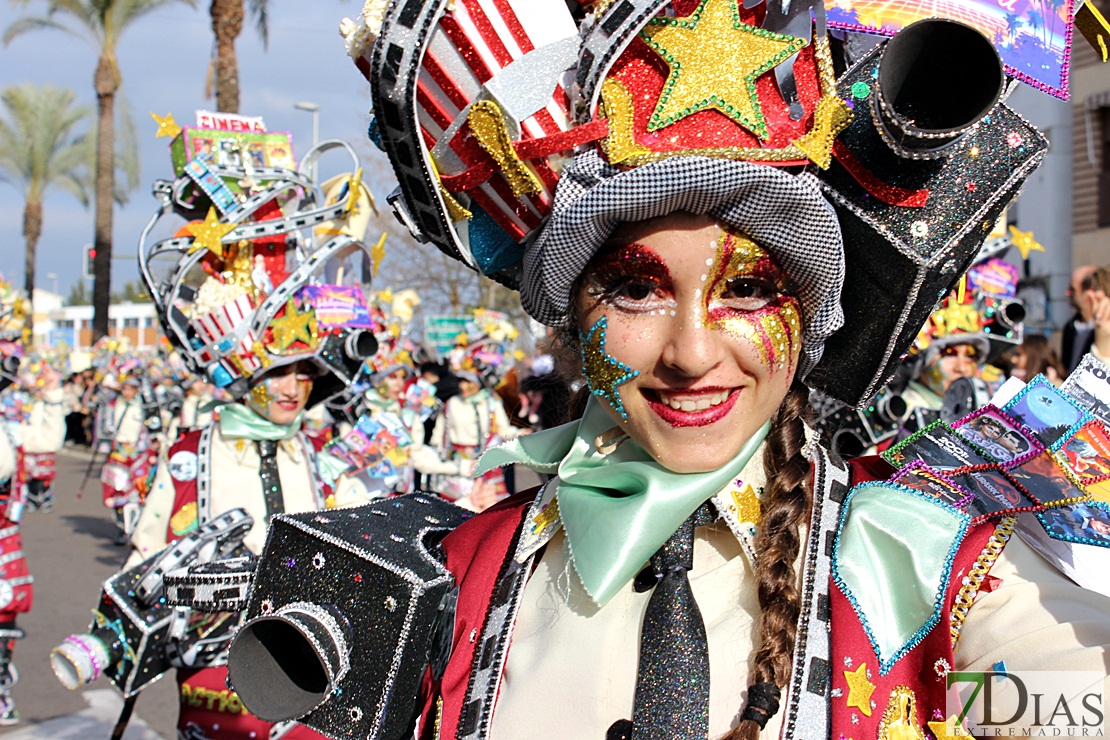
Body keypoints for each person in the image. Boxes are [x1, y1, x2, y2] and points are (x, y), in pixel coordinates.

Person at [318, 3, 1106, 738]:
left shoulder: (925, 561)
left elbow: (1064, 698)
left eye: (750, 289)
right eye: (635, 289)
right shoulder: (464, 571)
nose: (692, 354)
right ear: (573, 315)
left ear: (810, 317)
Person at [88, 125, 381, 739]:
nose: (291, 388)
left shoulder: (325, 455)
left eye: (305, 373)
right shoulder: (193, 456)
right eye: (277, 372)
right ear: (246, 375)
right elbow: (148, 563)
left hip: (312, 669)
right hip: (215, 667)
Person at [0, 340, 64, 724]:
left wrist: (52, 393)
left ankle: (0, 686)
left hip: (4, 535)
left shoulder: (9, 421)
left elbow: (46, 441)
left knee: (6, 608)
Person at [1061, 264, 1099, 374]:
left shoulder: (1103, 330)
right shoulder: (1070, 327)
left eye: (1072, 289)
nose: (1067, 293)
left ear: (1089, 292)